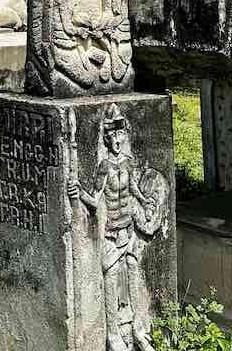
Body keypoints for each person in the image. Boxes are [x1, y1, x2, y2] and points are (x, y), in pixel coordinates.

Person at [69, 104, 167, 351]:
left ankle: (138, 329)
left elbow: (133, 187)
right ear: (106, 137)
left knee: (133, 271)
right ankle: (113, 335)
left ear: (124, 135)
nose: (116, 139)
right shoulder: (104, 166)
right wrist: (77, 191)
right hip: (112, 231)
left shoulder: (128, 162)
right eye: (111, 135)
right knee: (111, 278)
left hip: (129, 227)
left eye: (119, 134)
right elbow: (94, 200)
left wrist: (145, 201)